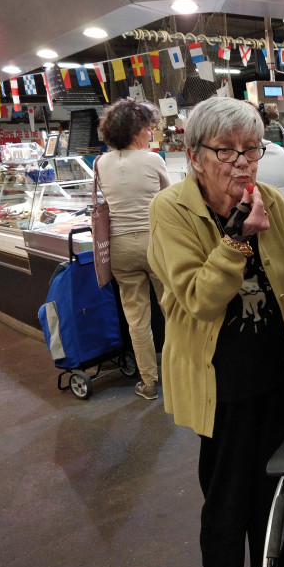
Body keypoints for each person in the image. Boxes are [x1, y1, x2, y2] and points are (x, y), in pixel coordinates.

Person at [147, 96, 284, 567]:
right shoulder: (171, 210)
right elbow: (199, 298)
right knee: (226, 503)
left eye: (252, 149)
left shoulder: (272, 200)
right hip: (218, 384)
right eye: (227, 151)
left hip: (275, 373)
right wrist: (239, 237)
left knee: (276, 490)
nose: (243, 162)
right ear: (194, 155)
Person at [96, 98, 170, 400]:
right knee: (172, 309)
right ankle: (181, 371)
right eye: (148, 127)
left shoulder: (101, 163)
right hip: (155, 243)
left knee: (136, 318)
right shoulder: (153, 160)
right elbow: (170, 200)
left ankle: (149, 382)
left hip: (120, 247)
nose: (151, 133)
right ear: (135, 129)